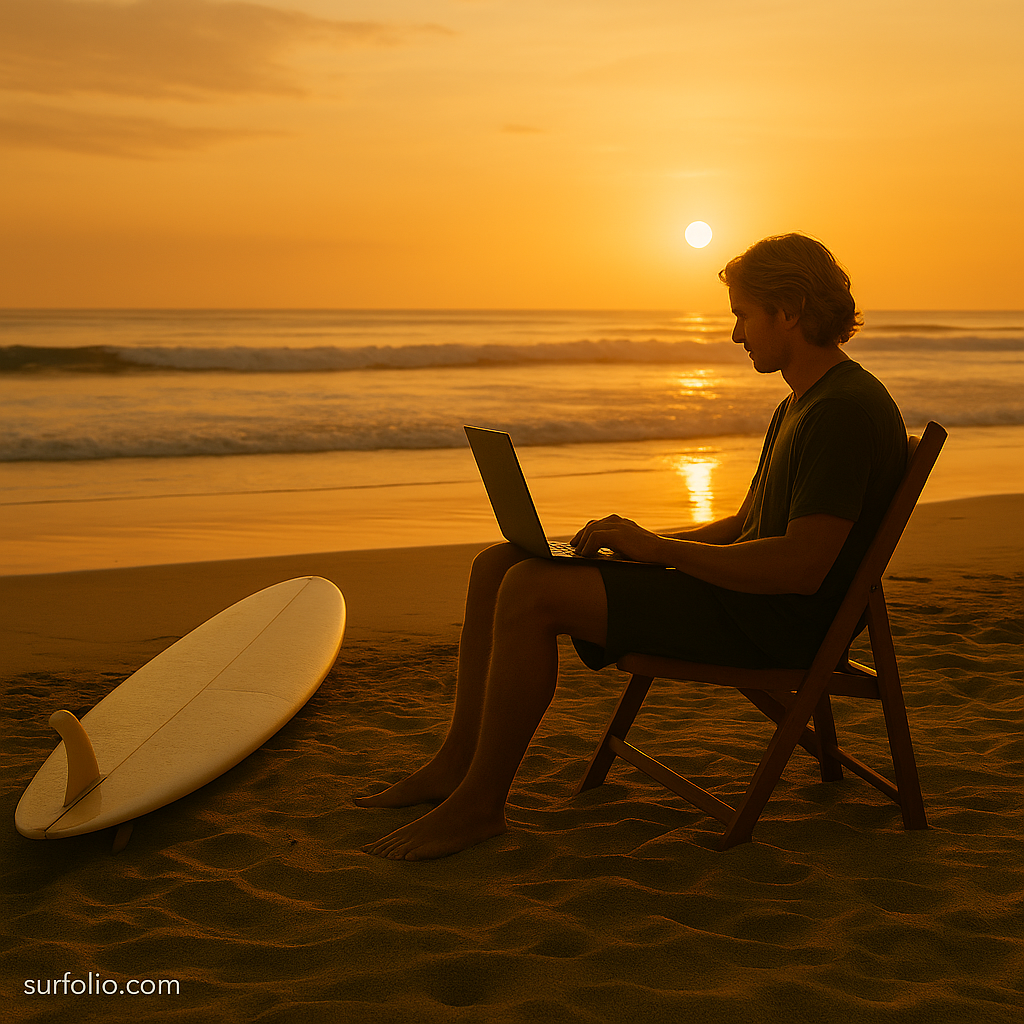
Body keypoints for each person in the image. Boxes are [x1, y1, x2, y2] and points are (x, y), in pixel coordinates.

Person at [356, 232, 907, 861]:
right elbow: (748, 525)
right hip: (744, 595)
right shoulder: (804, 403)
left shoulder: (842, 412)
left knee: (533, 590)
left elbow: (802, 567)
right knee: (500, 564)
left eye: (742, 316)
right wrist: (640, 545)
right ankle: (455, 765)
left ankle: (480, 805)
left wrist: (660, 552)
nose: (735, 336)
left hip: (776, 621)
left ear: (790, 308)